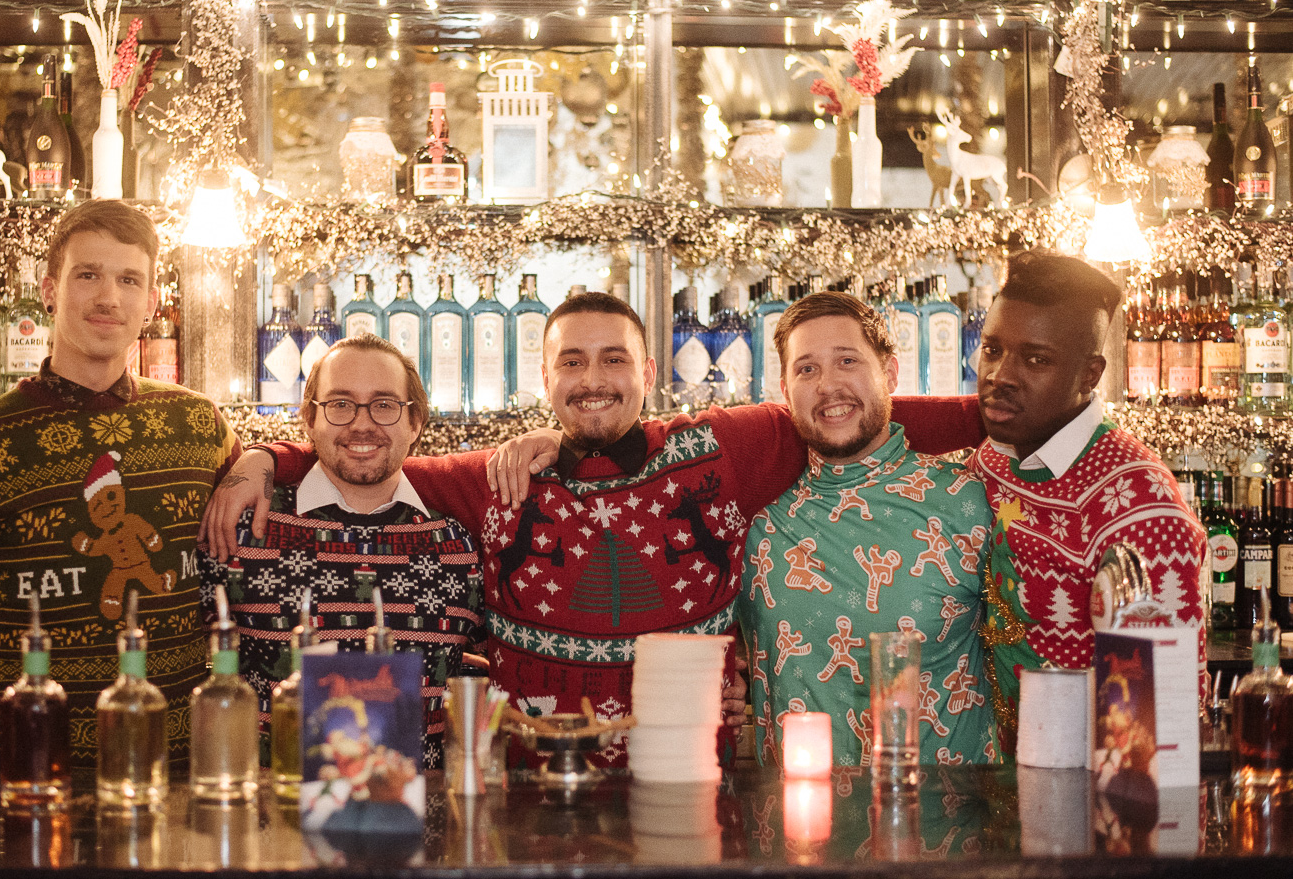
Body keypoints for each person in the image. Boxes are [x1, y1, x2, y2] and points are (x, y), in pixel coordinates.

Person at [201, 292, 983, 764]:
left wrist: (995, 413)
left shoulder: (724, 448)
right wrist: (264, 461)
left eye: (614, 359)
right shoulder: (498, 477)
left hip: (686, 783)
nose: (593, 377)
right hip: (536, 792)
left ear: (649, 373)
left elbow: (850, 408)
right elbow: (363, 450)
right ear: (544, 378)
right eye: (571, 361)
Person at [0, 199, 241, 770]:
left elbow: (286, 508)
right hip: (33, 786)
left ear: (152, 302)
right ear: (50, 289)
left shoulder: (202, 426)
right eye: (89, 275)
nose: (109, 297)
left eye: (129, 280)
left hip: (182, 780)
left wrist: (264, 459)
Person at [199, 333, 485, 768]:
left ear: (416, 422)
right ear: (309, 419)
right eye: (340, 404)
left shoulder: (458, 548)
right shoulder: (245, 527)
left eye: (385, 405)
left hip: (422, 824)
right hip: (274, 820)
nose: (362, 423)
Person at [737, 292, 995, 768]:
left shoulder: (969, 501)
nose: (828, 386)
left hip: (946, 825)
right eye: (806, 369)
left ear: (891, 374)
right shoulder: (759, 527)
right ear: (784, 389)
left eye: (848, 361)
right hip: (793, 832)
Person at [969, 251, 1206, 749]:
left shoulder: (1140, 506)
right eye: (992, 350)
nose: (1000, 375)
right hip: (989, 795)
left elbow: (1157, 726)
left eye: (1036, 360)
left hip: (1082, 804)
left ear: (1089, 375)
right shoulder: (992, 459)